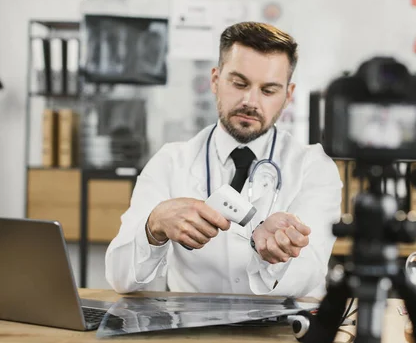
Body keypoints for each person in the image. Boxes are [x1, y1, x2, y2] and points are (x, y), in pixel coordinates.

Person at [105, 22, 343, 299]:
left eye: (268, 91)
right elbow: (120, 278)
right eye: (239, 83)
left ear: (288, 96)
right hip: (193, 333)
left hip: (283, 333)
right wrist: (153, 226)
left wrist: (271, 252)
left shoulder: (314, 167)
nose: (250, 101)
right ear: (216, 80)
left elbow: (309, 274)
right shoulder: (170, 162)